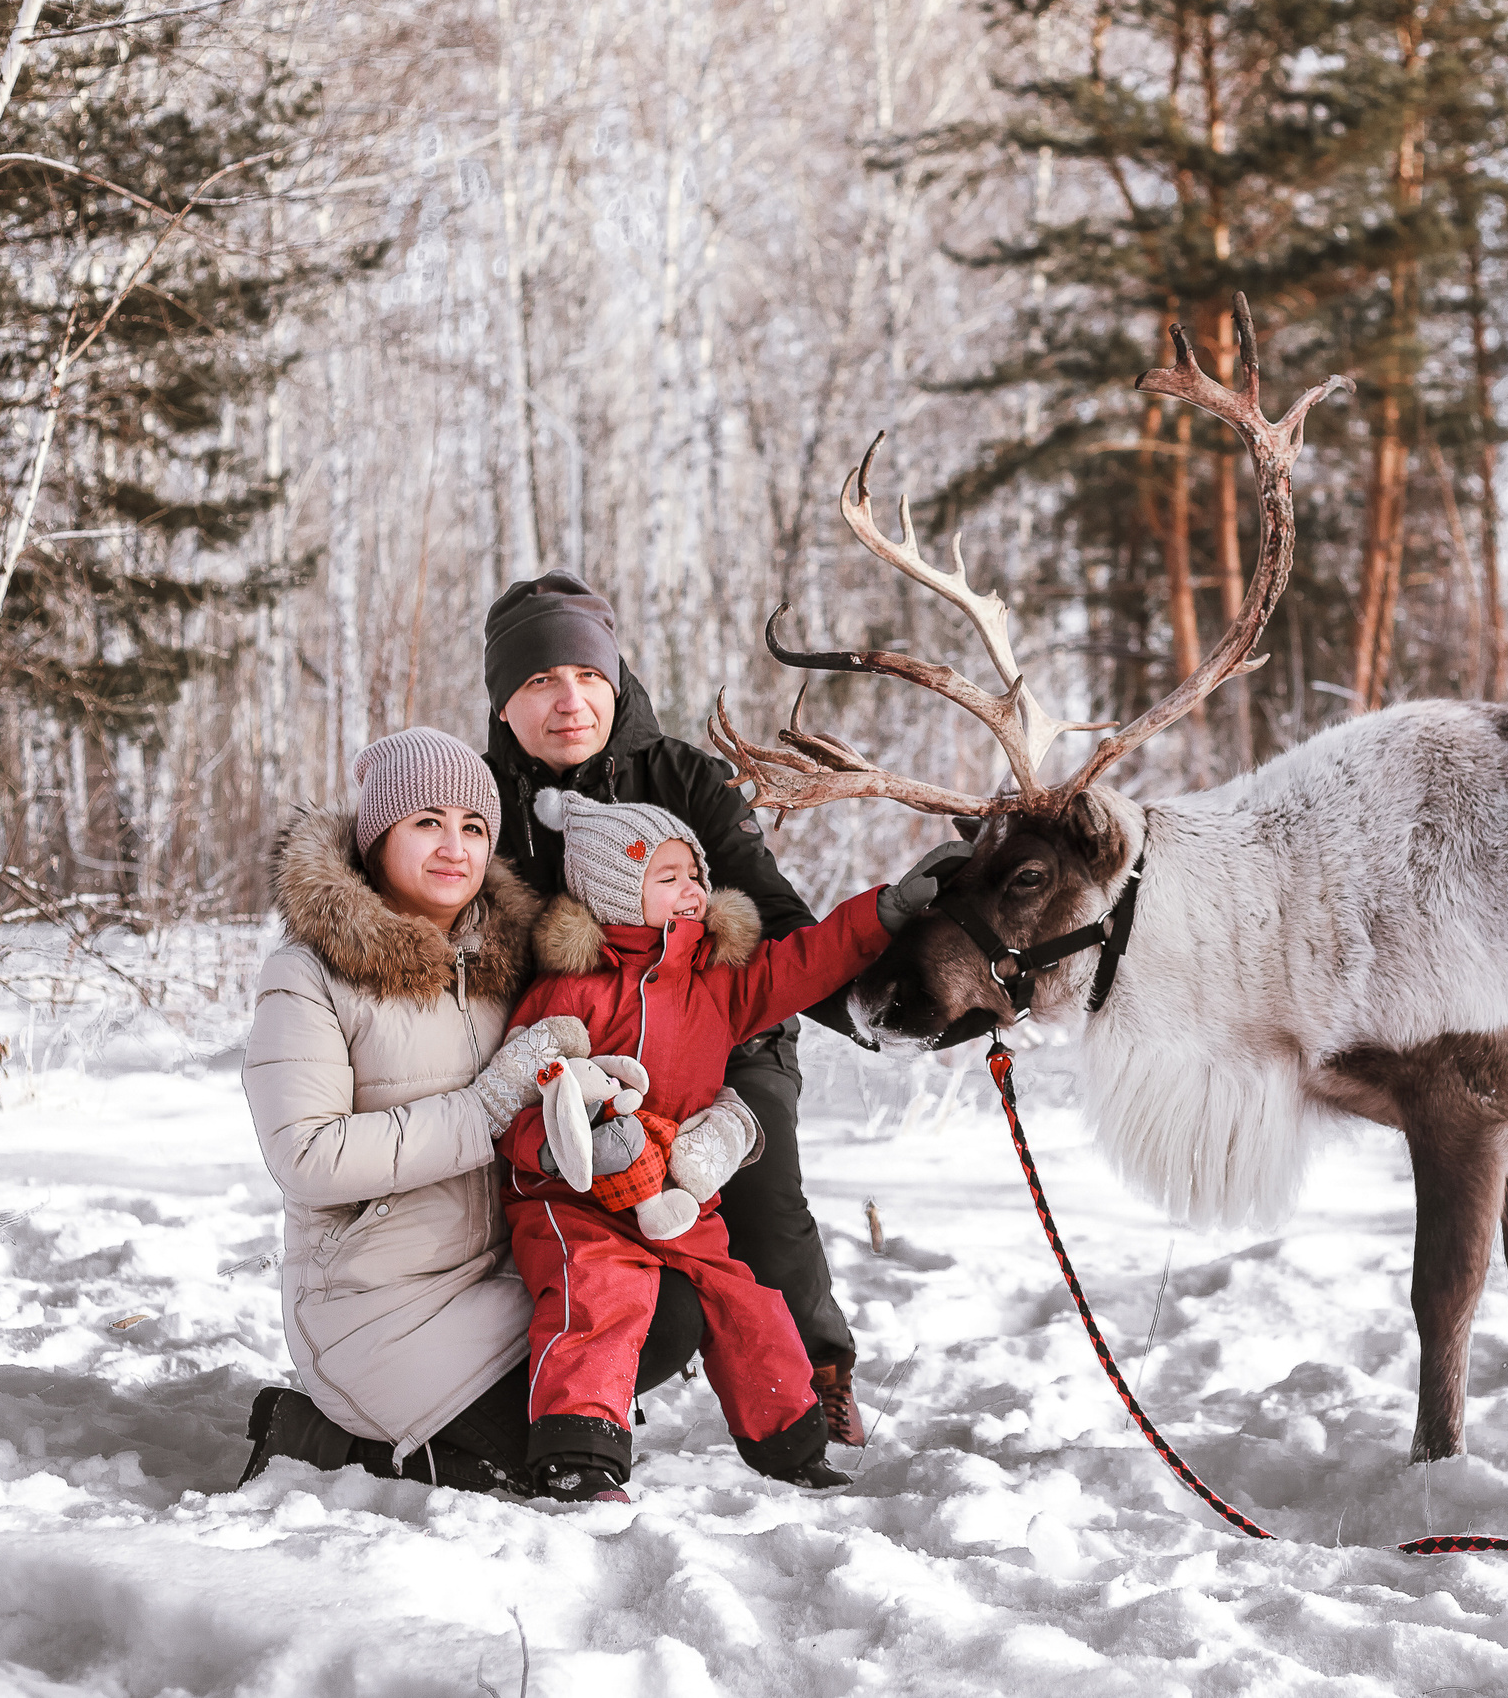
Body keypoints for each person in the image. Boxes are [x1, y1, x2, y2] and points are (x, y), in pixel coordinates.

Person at [234, 728, 691, 1492]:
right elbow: (305, 1157)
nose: (454, 846)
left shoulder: (506, 961)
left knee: (663, 1310)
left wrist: (585, 1103)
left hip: (500, 1276)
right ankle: (317, 1432)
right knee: (541, 1453)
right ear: (378, 837)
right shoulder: (307, 974)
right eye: (426, 822)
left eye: (473, 827)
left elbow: (539, 1092)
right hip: (372, 1308)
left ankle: (491, 1429)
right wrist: (481, 1111)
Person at [480, 570, 873, 1444]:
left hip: (723, 1030)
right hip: (583, 1060)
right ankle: (583, 1371)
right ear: (505, 703)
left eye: (585, 674)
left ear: (614, 677)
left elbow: (776, 916)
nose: (568, 699)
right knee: (558, 1211)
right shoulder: (488, 805)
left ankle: (820, 1374)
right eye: (539, 680)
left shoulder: (684, 775)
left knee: (761, 1191)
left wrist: (870, 1006)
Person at [493, 790, 963, 1501]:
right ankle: (577, 1453)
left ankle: (794, 1443)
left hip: (678, 1196)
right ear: (617, 890)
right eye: (669, 876)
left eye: (695, 873)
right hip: (575, 1199)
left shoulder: (714, 982)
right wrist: (561, 1151)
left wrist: (884, 912)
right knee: (601, 1294)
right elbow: (515, 1107)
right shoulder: (570, 993)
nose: (694, 890)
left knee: (745, 1299)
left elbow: (802, 964)